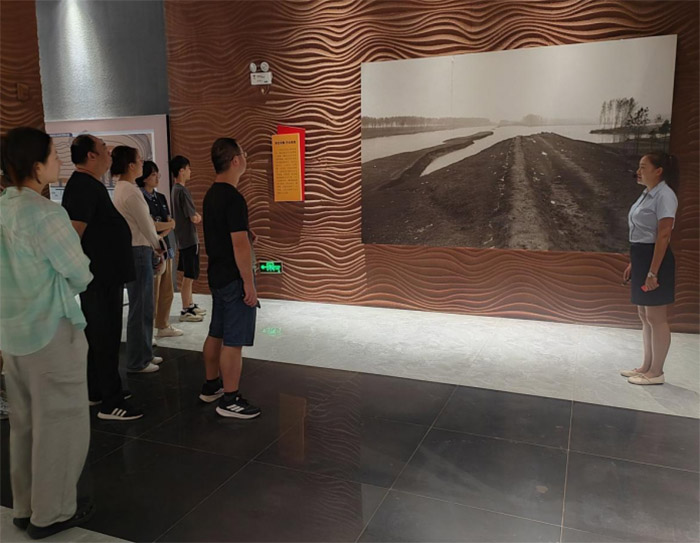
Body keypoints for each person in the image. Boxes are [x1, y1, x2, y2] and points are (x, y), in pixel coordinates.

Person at [0, 127, 95, 538]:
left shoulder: (4, 207)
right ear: (36, 167)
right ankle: (51, 513)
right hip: (51, 332)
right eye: (53, 156)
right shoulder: (46, 214)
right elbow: (79, 272)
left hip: (13, 334)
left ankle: (25, 507)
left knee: (24, 424)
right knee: (60, 424)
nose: (59, 162)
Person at [62, 135, 142, 421]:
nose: (110, 155)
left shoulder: (89, 184)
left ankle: (98, 389)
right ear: (91, 156)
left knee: (101, 335)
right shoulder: (82, 186)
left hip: (104, 276)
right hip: (98, 278)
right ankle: (111, 402)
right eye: (104, 150)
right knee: (104, 336)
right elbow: (74, 234)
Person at [200, 138, 260, 418]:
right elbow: (239, 245)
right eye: (243, 153)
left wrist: (245, 235)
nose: (246, 157)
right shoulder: (234, 198)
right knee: (233, 341)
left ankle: (211, 385)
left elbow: (226, 235)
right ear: (235, 160)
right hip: (234, 278)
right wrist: (248, 283)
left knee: (217, 332)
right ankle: (230, 399)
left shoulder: (212, 194)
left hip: (217, 275)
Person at [621, 152, 679, 386]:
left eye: (643, 167)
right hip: (642, 256)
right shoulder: (647, 193)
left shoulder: (665, 195)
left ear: (658, 171)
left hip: (656, 259)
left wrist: (653, 272)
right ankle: (646, 366)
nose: (638, 171)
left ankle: (657, 371)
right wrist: (635, 263)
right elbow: (641, 232)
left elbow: (663, 235)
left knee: (656, 317)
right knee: (644, 316)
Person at [112, 147, 165, 374]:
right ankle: (137, 360)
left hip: (135, 249)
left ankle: (145, 353)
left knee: (143, 305)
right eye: (139, 160)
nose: (143, 163)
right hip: (139, 251)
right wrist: (158, 247)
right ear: (130, 165)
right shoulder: (131, 192)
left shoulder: (122, 188)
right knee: (141, 306)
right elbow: (146, 225)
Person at [136, 161, 183, 339]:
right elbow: (150, 225)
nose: (157, 178)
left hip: (165, 247)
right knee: (152, 293)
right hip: (150, 250)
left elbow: (171, 222)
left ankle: (163, 325)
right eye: (153, 175)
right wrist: (163, 227)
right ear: (144, 177)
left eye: (157, 174)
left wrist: (162, 231)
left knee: (166, 290)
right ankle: (148, 331)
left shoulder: (161, 197)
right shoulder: (139, 198)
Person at [170, 155, 206, 322]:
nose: (190, 171)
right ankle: (186, 309)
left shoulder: (174, 190)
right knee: (189, 275)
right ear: (181, 171)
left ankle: (190, 305)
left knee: (188, 274)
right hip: (189, 239)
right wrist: (198, 217)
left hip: (182, 239)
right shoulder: (182, 191)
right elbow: (193, 217)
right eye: (188, 168)